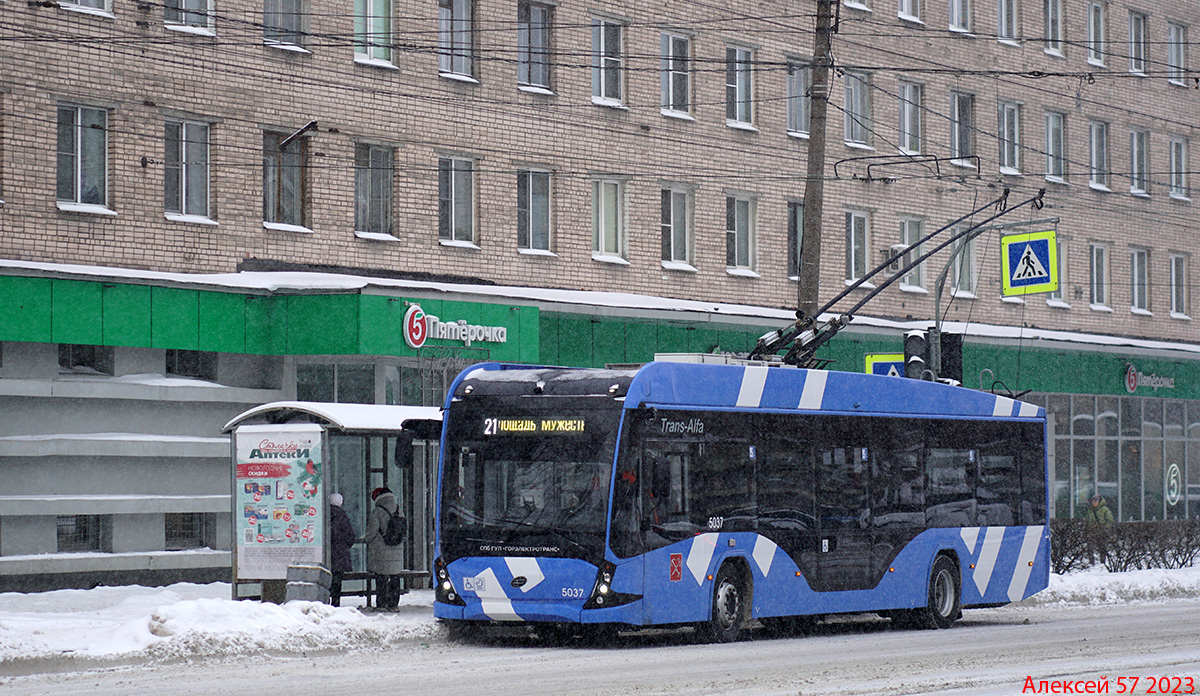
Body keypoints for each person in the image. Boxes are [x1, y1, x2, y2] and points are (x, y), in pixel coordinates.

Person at [365, 486, 405, 610]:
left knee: (381, 577)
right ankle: (393, 604)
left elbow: (371, 532)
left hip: (381, 550)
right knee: (394, 577)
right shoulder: (399, 509)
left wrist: (367, 539)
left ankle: (381, 604)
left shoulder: (377, 511)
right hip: (396, 549)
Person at [328, 492, 356, 607]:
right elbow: (350, 536)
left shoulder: (325, 514)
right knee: (337, 580)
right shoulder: (342, 516)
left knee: (326, 578)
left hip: (328, 553)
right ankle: (335, 603)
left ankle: (325, 601)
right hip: (340, 553)